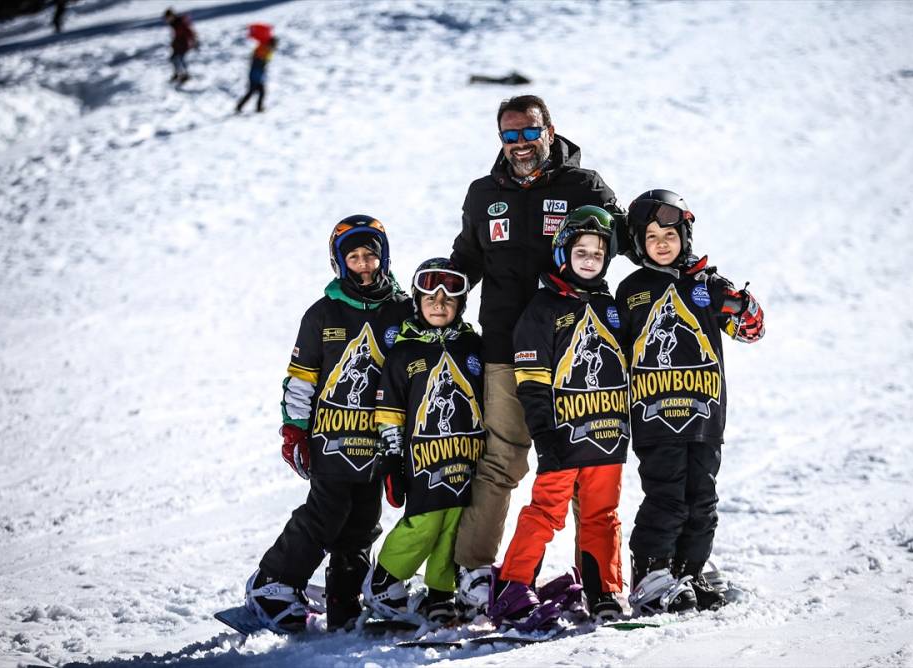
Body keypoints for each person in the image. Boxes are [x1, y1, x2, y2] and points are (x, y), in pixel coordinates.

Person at [449, 94, 631, 616]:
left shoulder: (582, 186)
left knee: (583, 464)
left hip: (581, 351)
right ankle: (476, 573)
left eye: (529, 132)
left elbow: (625, 240)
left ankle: (594, 580)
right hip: (508, 346)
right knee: (503, 458)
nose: (520, 144)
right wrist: (430, 300)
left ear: (549, 131)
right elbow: (467, 258)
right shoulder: (484, 193)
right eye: (510, 135)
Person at [244, 215, 412, 633]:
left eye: (370, 255)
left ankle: (344, 597)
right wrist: (294, 430)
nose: (363, 264)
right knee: (326, 512)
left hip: (377, 441)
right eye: (353, 257)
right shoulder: (322, 313)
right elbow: (301, 379)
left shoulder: (403, 310)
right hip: (332, 437)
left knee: (363, 521)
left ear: (384, 257)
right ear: (339, 263)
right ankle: (273, 581)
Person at [615, 189, 765, 614]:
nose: (661, 243)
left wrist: (742, 306)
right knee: (667, 495)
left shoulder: (707, 285)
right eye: (650, 237)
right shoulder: (631, 291)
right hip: (655, 417)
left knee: (702, 497)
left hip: (703, 417)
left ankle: (688, 570)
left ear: (686, 234)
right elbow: (612, 350)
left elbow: (751, 331)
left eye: (669, 233)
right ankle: (650, 573)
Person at [488, 206, 629, 630]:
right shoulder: (543, 307)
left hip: (607, 434)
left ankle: (603, 589)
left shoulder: (610, 306)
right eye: (580, 250)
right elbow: (531, 381)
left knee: (602, 513)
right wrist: (545, 433)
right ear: (563, 253)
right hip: (564, 436)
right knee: (546, 512)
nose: (589, 259)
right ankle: (513, 586)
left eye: (597, 253)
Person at [361, 258, 485, 626]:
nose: (439, 304)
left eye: (449, 300)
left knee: (453, 524)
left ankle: (440, 592)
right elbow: (389, 411)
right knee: (424, 522)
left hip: (465, 454)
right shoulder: (404, 352)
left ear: (461, 305)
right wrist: (391, 457)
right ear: (417, 301)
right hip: (422, 458)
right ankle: (384, 581)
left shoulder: (473, 346)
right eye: (430, 298)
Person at [236, 36, 277, 113]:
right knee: (253, 92)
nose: (274, 47)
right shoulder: (262, 50)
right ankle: (240, 107)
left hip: (258, 76)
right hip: (254, 76)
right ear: (270, 44)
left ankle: (257, 108)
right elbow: (257, 62)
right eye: (274, 45)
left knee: (260, 92)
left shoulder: (266, 51)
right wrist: (263, 62)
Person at [163, 8, 196, 84]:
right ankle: (177, 74)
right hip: (177, 45)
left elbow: (189, 32)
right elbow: (177, 35)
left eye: (168, 18)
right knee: (173, 59)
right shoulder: (174, 24)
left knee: (180, 59)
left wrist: (193, 41)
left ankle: (185, 75)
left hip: (183, 45)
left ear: (172, 16)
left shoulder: (179, 23)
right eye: (166, 18)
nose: (167, 20)